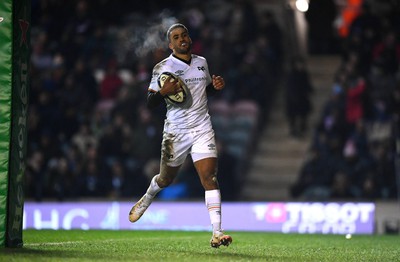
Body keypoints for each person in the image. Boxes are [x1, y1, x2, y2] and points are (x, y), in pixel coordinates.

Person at [128, 23, 232, 248]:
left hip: (202, 128)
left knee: (210, 178)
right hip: (176, 132)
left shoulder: (201, 62)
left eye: (184, 35)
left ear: (189, 38)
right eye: (176, 37)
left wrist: (215, 87)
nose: (181, 39)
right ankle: (147, 197)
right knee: (165, 179)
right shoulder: (163, 67)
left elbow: (203, 92)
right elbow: (150, 102)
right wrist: (162, 92)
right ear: (170, 44)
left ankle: (217, 232)